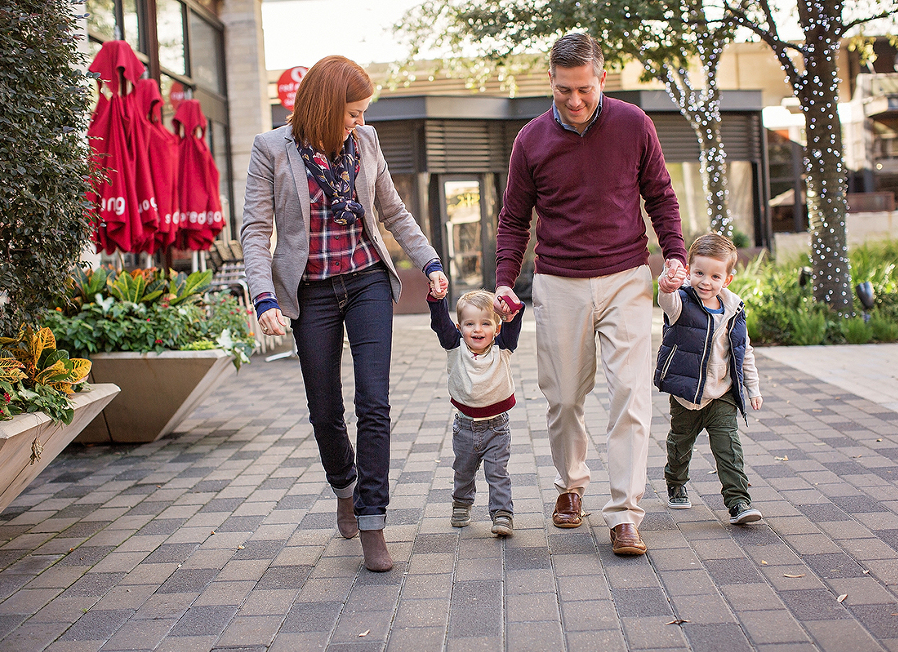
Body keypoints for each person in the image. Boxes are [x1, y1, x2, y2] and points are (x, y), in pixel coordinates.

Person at [240, 56, 448, 572]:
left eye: (362, 113)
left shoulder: (366, 142)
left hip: (367, 281)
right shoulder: (271, 149)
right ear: (325, 106)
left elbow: (393, 211)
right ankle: (345, 487)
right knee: (325, 411)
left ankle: (373, 520)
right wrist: (264, 297)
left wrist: (429, 261)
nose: (359, 121)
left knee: (374, 403)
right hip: (310, 292)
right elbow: (256, 230)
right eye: (352, 113)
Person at [493, 33, 687, 556]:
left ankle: (625, 512)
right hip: (558, 281)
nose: (574, 101)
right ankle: (571, 484)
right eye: (563, 91)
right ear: (550, 82)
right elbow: (514, 219)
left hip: (626, 277)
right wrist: (506, 281)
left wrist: (675, 254)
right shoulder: (530, 140)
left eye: (584, 89)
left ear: (602, 78)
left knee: (631, 394)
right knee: (563, 397)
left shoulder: (634, 124)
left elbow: (661, 196)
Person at [654, 233, 764, 524]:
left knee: (729, 449)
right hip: (687, 395)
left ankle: (739, 502)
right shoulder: (681, 302)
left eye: (715, 276)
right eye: (699, 273)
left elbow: (744, 350)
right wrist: (667, 284)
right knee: (680, 445)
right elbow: (666, 301)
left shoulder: (734, 310)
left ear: (727, 280)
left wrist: (752, 388)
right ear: (688, 270)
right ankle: (675, 482)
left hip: (721, 394)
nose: (706, 281)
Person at [428, 290, 525, 537]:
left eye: (485, 323)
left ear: (497, 328)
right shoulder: (455, 346)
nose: (477, 330)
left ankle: (502, 514)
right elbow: (440, 323)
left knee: (497, 473)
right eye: (470, 324)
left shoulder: (503, 347)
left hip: (497, 428)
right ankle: (461, 504)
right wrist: (437, 300)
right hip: (465, 428)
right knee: (463, 472)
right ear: (459, 327)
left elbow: (513, 323)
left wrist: (512, 311)